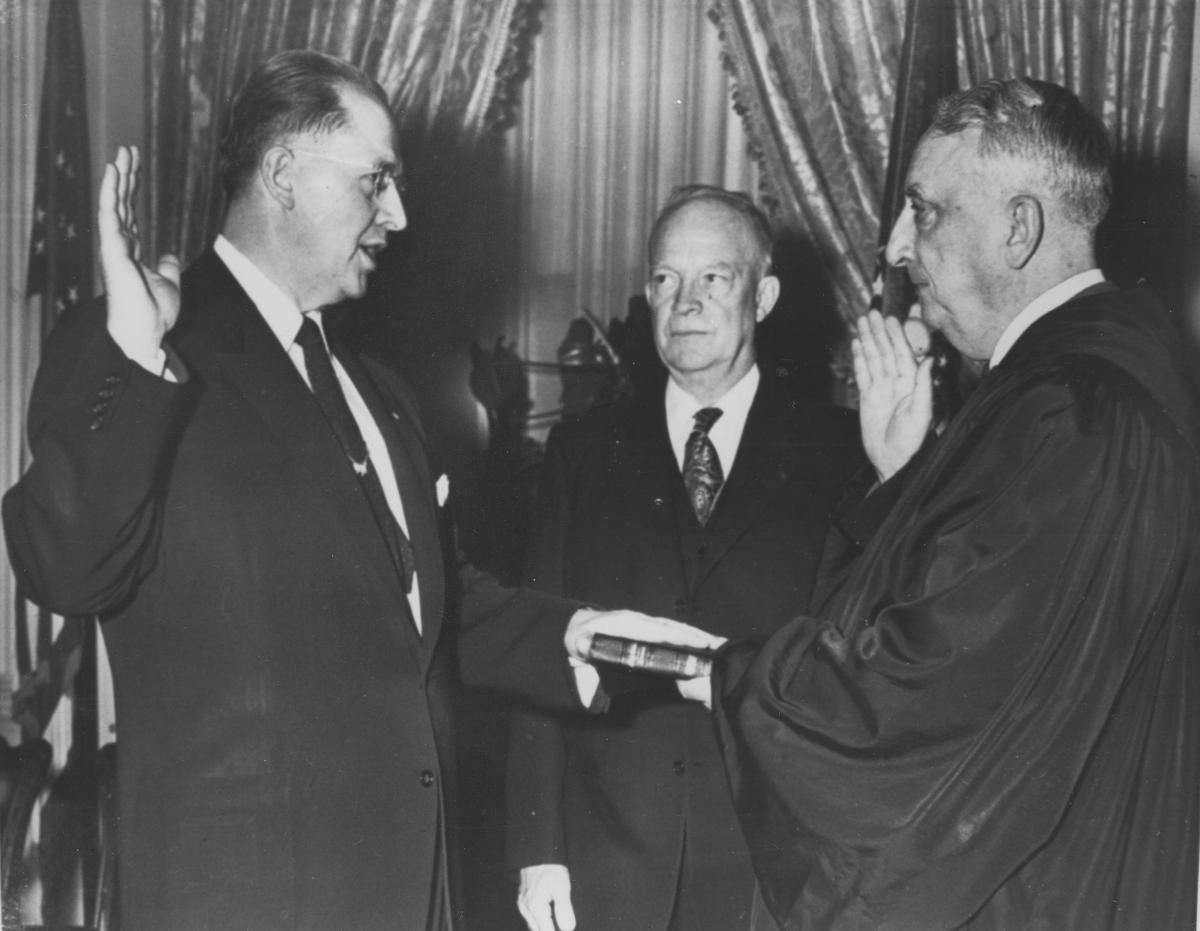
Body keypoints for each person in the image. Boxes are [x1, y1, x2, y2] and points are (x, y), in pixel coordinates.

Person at [1, 50, 716, 931]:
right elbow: (63, 565)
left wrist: (581, 632)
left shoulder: (377, 390)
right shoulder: (145, 346)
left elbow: (428, 613)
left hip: (421, 893)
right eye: (377, 181)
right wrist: (136, 356)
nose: (400, 214)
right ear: (282, 174)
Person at [693, 78, 1200, 930]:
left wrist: (730, 676)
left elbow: (921, 717)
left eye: (923, 211)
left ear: (1018, 228)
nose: (894, 248)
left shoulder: (1074, 412)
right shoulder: (1072, 387)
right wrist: (904, 477)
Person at [506, 186, 864, 931]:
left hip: (773, 865)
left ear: (762, 296)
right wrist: (538, 847)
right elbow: (538, 650)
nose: (686, 302)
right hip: (609, 860)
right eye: (667, 280)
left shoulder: (838, 451)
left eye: (714, 279)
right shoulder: (582, 449)